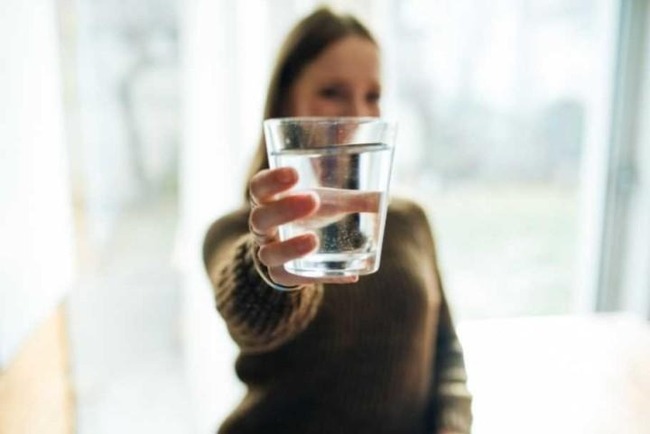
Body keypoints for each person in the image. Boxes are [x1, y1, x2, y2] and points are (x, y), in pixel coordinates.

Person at [203, 6, 472, 434]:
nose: (358, 114)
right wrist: (272, 270)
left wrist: (453, 427)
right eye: (332, 91)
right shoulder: (236, 233)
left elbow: (446, 352)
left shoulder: (409, 223)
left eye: (373, 95)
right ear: (285, 102)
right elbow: (250, 317)